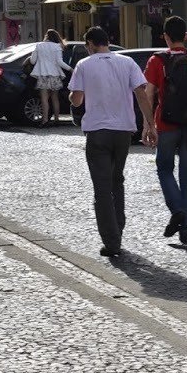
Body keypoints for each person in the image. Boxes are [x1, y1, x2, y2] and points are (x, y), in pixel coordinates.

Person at [68, 26, 155, 258]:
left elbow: (76, 101)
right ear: (107, 41)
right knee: (118, 181)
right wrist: (150, 124)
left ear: (90, 44)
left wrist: (72, 95)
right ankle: (119, 229)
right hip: (123, 132)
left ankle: (112, 240)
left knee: (102, 188)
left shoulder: (84, 65)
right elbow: (141, 94)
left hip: (97, 132)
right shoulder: (127, 63)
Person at [144, 15, 187, 246]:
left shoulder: (157, 61)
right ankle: (185, 230)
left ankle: (176, 210)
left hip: (166, 125)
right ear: (185, 36)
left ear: (164, 36)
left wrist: (148, 124)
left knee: (164, 168)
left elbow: (149, 93)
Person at [28, 29, 68, 127]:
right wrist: (71, 69)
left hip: (43, 75)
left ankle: (45, 120)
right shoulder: (58, 46)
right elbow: (60, 62)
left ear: (46, 36)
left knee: (44, 99)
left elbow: (32, 61)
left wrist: (30, 58)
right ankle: (57, 119)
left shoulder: (39, 46)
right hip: (55, 75)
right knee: (55, 98)